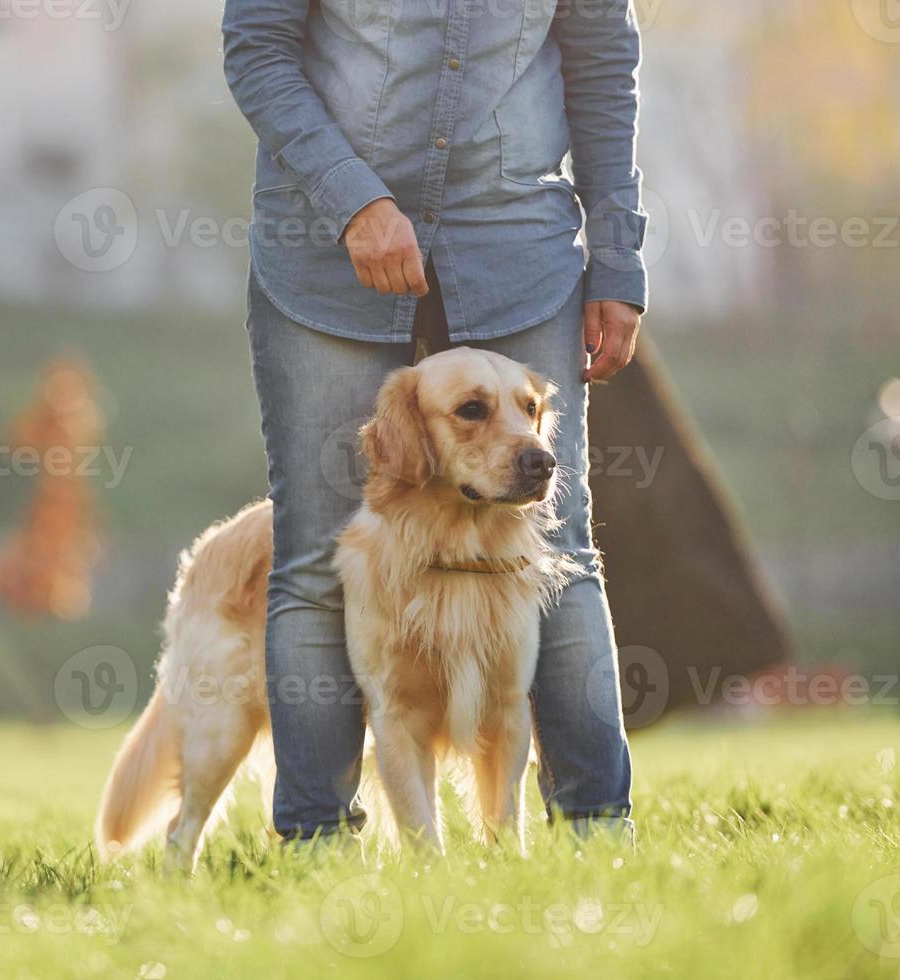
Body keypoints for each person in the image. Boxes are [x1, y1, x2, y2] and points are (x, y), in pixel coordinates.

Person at [221, 0, 645, 842]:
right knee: (313, 556)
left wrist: (620, 256)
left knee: (560, 547)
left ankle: (599, 834)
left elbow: (602, 68)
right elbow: (258, 52)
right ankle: (315, 843)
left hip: (517, 241)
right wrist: (354, 200)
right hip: (323, 240)